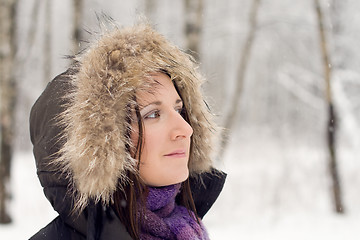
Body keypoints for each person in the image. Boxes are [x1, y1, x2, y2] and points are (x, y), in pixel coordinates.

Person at [29, 23, 226, 240]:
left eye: (179, 110)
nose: (185, 129)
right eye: (153, 114)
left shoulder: (189, 229)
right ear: (102, 146)